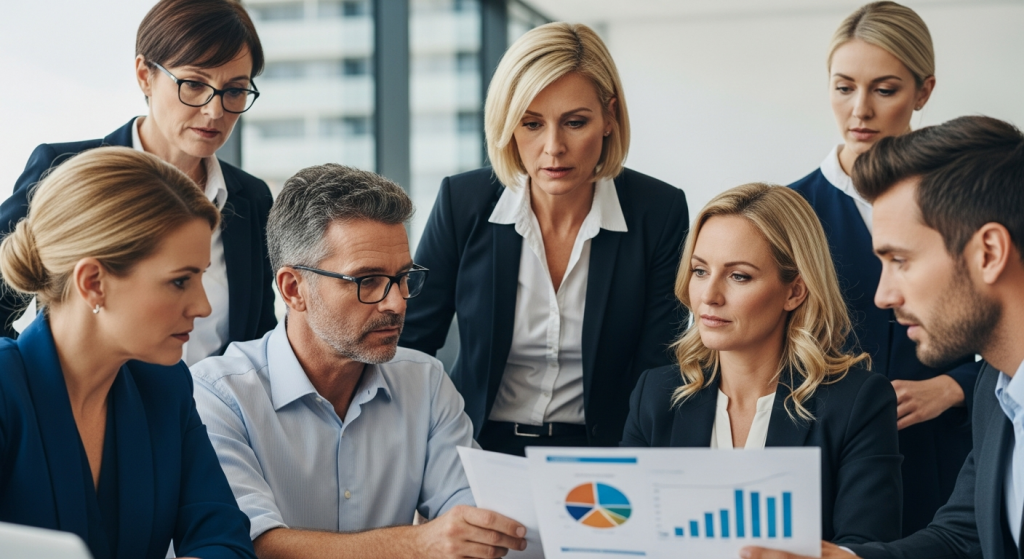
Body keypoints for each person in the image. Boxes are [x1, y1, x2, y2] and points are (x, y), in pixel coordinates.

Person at [191, 164, 528, 559]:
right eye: (367, 281)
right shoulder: (218, 396)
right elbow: (252, 545)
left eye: (403, 277)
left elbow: (469, 516)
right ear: (293, 289)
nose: (396, 303)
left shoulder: (426, 382)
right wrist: (419, 544)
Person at [399, 22, 689, 455]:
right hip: (476, 445)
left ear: (609, 117)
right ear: (508, 125)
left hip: (606, 452)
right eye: (532, 124)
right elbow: (411, 341)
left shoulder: (659, 211)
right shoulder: (463, 202)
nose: (553, 147)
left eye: (575, 122)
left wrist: (631, 467)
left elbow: (658, 366)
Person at [740, 116, 1024, 559]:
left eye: (900, 261)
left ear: (988, 253)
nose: (883, 296)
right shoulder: (996, 389)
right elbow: (962, 536)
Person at [0, 147, 256, 559]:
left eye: (202, 278)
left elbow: (225, 541)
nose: (203, 307)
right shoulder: (5, 387)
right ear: (93, 283)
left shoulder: (165, 387)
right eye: (180, 281)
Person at [788, 1, 978, 534]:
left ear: (924, 91)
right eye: (844, 87)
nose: (860, 110)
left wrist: (955, 386)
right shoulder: (789, 211)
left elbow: (1011, 316)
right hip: (825, 457)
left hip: (942, 453)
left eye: (885, 89)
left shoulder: (970, 198)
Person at [622, 183, 902, 544]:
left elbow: (863, 548)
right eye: (700, 271)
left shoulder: (857, 403)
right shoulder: (655, 395)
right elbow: (626, 538)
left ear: (794, 291)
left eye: (738, 276)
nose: (709, 296)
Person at [0, 0, 275, 365]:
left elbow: (258, 340)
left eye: (235, 90)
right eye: (194, 84)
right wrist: (27, 380)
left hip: (214, 403)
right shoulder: (65, 169)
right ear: (145, 75)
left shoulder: (253, 198)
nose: (215, 111)